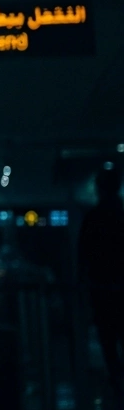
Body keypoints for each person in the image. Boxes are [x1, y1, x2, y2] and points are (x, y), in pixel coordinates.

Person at [79, 164, 124, 394]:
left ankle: (116, 379)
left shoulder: (93, 218)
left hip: (102, 288)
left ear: (98, 189)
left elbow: (83, 255)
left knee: (108, 339)